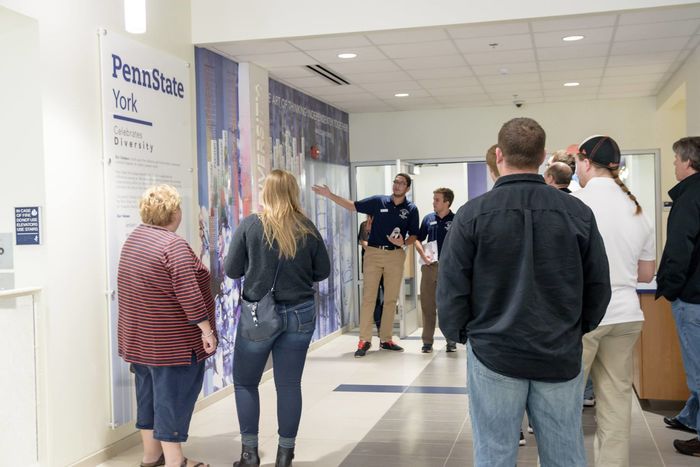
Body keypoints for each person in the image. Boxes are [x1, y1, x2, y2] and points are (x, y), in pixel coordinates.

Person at [438, 118, 611, 467]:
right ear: (543, 156)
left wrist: (463, 335)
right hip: (559, 352)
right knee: (564, 452)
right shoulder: (577, 212)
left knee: (495, 453)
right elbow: (598, 286)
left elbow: (451, 287)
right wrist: (576, 329)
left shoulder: (472, 215)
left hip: (493, 351)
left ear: (499, 155)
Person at [225, 169, 330, 467]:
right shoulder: (307, 228)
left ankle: (249, 454)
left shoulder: (251, 226)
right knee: (288, 384)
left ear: (266, 193)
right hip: (300, 314)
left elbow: (233, 270)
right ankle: (285, 455)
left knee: (246, 383)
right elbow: (322, 271)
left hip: (259, 315)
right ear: (293, 192)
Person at [117, 184, 218, 467]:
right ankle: (176, 462)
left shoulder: (134, 239)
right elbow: (190, 294)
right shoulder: (172, 246)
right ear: (174, 212)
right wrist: (206, 331)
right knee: (171, 402)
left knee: (148, 399)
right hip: (171, 346)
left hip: (139, 342)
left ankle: (151, 458)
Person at [573, 135, 656, 466]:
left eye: (577, 163)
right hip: (625, 316)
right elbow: (647, 274)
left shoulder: (577, 204)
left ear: (586, 163)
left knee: (561, 404)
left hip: (584, 317)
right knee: (616, 403)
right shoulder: (636, 207)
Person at [312, 173, 419, 357]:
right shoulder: (379, 201)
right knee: (369, 297)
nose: (397, 185)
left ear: (407, 188)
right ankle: (364, 339)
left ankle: (386, 339)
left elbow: (415, 236)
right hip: (373, 253)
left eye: (401, 183)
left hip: (395, 255)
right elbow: (353, 206)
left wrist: (403, 242)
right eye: (395, 182)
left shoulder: (411, 209)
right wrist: (330, 195)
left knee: (391, 299)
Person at [655, 137, 700, 457]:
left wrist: (669, 288)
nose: (673, 164)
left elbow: (679, 249)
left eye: (675, 159)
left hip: (693, 298)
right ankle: (690, 417)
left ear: (688, 162)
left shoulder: (689, 197)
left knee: (697, 371)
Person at [415, 187, 456, 353]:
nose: (434, 202)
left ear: (447, 202)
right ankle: (427, 342)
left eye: (437, 200)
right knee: (427, 305)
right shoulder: (428, 219)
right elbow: (417, 239)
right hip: (430, 267)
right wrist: (422, 255)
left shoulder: (456, 219)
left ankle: (451, 341)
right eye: (434, 199)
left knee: (448, 305)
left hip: (450, 268)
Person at [358, 214, 384, 334]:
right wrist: (378, 251)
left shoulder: (384, 224)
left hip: (385, 264)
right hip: (370, 264)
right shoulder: (364, 226)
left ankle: (385, 324)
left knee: (388, 295)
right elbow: (364, 242)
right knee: (375, 297)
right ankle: (379, 326)